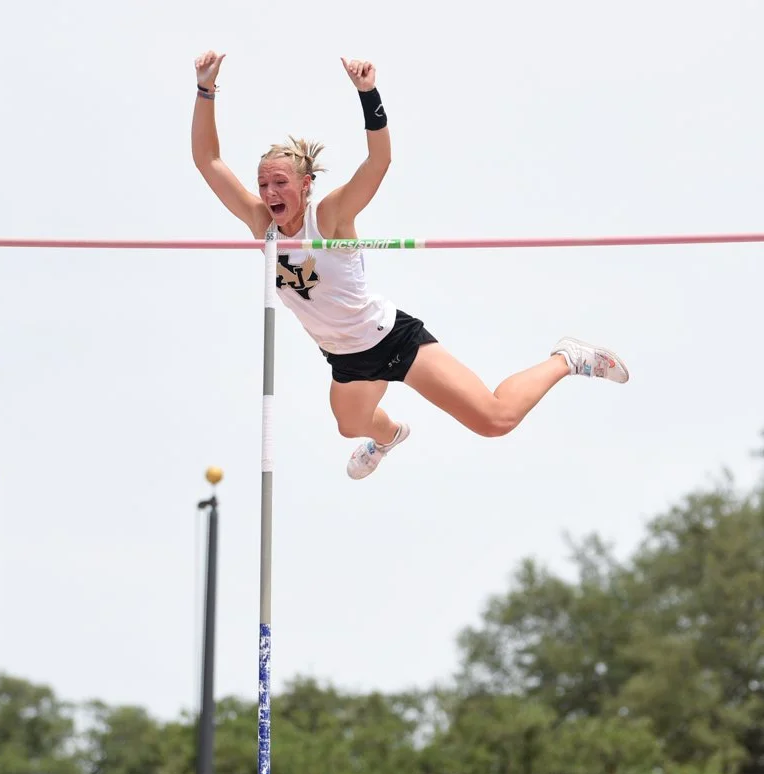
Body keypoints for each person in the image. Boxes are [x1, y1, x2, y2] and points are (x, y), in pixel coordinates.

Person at [191, 51, 630, 480]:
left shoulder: (329, 217)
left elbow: (379, 162)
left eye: (280, 182)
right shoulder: (261, 226)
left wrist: (368, 93)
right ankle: (389, 438)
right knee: (350, 426)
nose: (269, 192)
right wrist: (205, 89)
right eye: (263, 183)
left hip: (390, 339)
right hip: (344, 357)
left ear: (305, 185)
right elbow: (208, 161)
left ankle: (567, 359)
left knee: (495, 421)